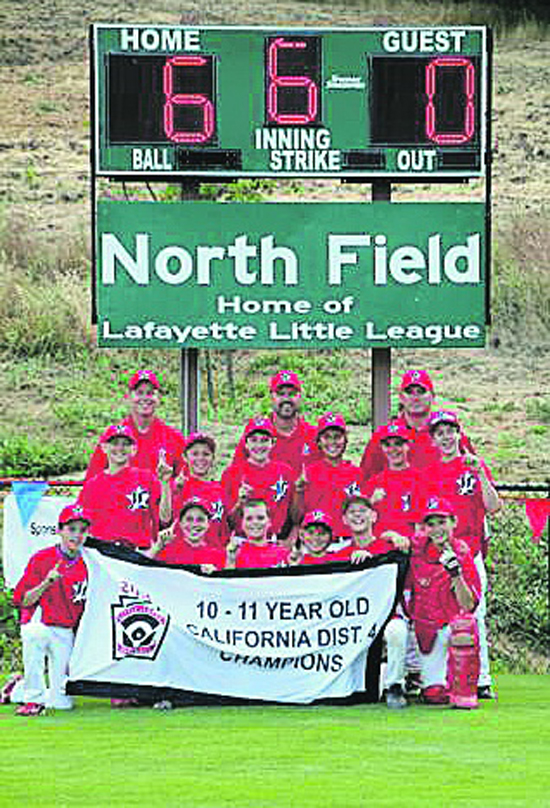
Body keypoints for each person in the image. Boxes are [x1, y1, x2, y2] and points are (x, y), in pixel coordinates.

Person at [425, 410, 501, 699]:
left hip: (471, 550)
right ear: (433, 439)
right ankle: (442, 678)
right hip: (438, 554)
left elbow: (493, 507)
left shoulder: (473, 465)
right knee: (437, 615)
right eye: (439, 433)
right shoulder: (430, 473)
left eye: (450, 431)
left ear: (459, 433)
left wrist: (480, 472)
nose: (446, 437)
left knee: (475, 613)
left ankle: (481, 680)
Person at [11, 504, 91, 716]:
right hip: (42, 623)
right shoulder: (42, 558)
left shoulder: (91, 562)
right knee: (34, 635)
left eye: (82, 530)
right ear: (60, 530)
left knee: (61, 702)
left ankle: (16, 689)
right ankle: (33, 700)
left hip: (66, 631)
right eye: (71, 529)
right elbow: (23, 599)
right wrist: (46, 583)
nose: (77, 535)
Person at [408, 498, 481, 709]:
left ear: (453, 522)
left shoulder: (463, 553)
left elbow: (468, 605)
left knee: (464, 626)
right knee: (434, 694)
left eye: (442, 522)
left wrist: (456, 574)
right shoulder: (417, 552)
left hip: (450, 627)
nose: (437, 529)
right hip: (425, 630)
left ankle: (464, 691)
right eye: (431, 524)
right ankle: (425, 681)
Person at [341, 492, 411, 709]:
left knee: (397, 631)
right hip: (354, 621)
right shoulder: (340, 554)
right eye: (352, 512)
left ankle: (395, 686)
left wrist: (401, 542)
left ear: (373, 516)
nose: (357, 516)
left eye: (362, 511)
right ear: (344, 519)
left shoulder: (389, 546)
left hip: (387, 615)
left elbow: (411, 549)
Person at [360, 369, 475, 480]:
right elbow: (365, 480)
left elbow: (477, 475)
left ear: (432, 396)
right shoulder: (384, 436)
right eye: (410, 392)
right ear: (401, 397)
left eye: (421, 392)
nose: (415, 398)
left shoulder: (449, 435)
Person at [78, 424, 171, 550]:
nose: (120, 448)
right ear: (104, 447)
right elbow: (80, 526)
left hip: (137, 553)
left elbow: (165, 518)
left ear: (133, 449)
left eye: (125, 444)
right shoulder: (93, 485)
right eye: (115, 443)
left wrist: (165, 483)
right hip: (104, 555)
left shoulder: (146, 478)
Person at [84, 369, 185, 480]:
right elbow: (91, 481)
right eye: (139, 393)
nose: (145, 398)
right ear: (129, 397)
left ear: (159, 398)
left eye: (150, 393)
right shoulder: (112, 437)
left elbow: (187, 482)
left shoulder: (173, 438)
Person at [231, 370, 321, 474]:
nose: (286, 399)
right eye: (280, 394)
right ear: (271, 397)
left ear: (300, 396)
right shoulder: (256, 434)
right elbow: (235, 473)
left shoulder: (314, 435)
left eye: (292, 394)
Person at [222, 417, 297, 540]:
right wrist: (239, 503)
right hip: (242, 540)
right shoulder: (232, 473)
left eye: (264, 440)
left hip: (274, 540)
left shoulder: (285, 471)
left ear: (272, 443)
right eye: (253, 440)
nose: (259, 445)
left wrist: (290, 539)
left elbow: (294, 514)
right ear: (245, 443)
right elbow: (225, 521)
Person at [294, 413, 362, 537]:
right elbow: (296, 517)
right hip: (316, 543)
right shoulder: (309, 473)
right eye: (327, 437)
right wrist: (298, 492)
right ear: (319, 441)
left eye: (337, 437)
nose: (332, 442)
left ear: (345, 439)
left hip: (348, 542)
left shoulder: (357, 473)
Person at [362, 423, 423, 540]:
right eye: (387, 445)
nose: (393, 450)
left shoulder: (420, 479)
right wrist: (370, 502)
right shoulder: (374, 483)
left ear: (407, 445)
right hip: (380, 549)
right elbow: (361, 522)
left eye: (398, 444)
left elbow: (424, 523)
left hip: (410, 549)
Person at [170, 432, 227, 549]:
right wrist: (170, 488)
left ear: (213, 458)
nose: (200, 458)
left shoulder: (220, 489)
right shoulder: (177, 486)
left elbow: (224, 531)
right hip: (182, 557)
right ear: (185, 457)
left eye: (206, 454)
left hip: (213, 558)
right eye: (195, 454)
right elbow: (164, 519)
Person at [145, 496, 225, 570]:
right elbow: (142, 570)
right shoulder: (168, 550)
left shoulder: (218, 555)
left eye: (200, 519)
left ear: (208, 524)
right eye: (189, 519)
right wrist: (157, 547)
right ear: (180, 523)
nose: (194, 524)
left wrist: (215, 574)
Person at [225, 499, 290, 569]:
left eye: (260, 518)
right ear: (242, 523)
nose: (255, 522)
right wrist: (231, 561)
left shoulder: (283, 554)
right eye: (249, 519)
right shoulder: (233, 554)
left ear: (269, 522)